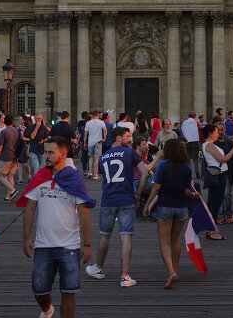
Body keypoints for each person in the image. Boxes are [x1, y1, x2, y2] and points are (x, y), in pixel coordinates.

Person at [20, 136, 93, 318]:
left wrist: (87, 244)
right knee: (39, 287)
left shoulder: (74, 178)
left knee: (69, 291)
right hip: (43, 244)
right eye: (46, 152)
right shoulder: (40, 177)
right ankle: (47, 310)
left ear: (63, 154)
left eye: (51, 152)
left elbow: (84, 212)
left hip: (69, 245)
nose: (47, 156)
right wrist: (26, 237)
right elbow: (30, 208)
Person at [87, 127, 147, 286]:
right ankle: (124, 276)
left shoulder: (103, 157)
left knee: (104, 235)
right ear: (119, 138)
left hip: (108, 198)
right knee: (126, 236)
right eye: (128, 136)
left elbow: (103, 176)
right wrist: (138, 194)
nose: (130, 139)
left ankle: (99, 269)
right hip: (126, 198)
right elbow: (145, 173)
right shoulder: (130, 153)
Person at [144, 138, 199, 288]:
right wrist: (195, 195)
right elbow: (187, 190)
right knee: (175, 240)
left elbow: (156, 188)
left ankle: (170, 272)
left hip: (165, 207)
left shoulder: (163, 165)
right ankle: (174, 269)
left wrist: (147, 205)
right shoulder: (187, 167)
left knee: (164, 241)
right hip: (181, 208)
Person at [200, 122, 233, 239]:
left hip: (216, 175)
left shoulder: (208, 144)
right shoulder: (210, 145)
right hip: (217, 175)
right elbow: (222, 159)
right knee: (215, 204)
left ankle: (211, 230)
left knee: (213, 202)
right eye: (216, 132)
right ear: (211, 133)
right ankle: (212, 232)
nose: (218, 134)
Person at [84, 112, 108, 180]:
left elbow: (85, 134)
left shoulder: (88, 123)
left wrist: (85, 143)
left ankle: (90, 172)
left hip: (90, 142)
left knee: (90, 157)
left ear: (92, 116)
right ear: (98, 115)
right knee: (97, 158)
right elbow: (105, 130)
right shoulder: (101, 122)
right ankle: (95, 175)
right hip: (98, 141)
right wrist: (104, 138)